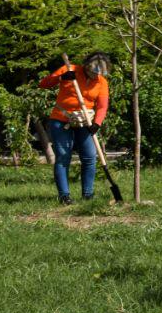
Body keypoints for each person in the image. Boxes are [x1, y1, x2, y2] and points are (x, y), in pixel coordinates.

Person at [38, 52, 111, 204]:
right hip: (61, 120)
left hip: (85, 122)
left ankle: (88, 194)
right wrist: (61, 78)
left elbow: (102, 106)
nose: (95, 75)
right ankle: (64, 196)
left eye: (98, 74)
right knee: (63, 157)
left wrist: (97, 124)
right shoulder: (69, 69)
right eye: (92, 72)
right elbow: (43, 84)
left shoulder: (102, 82)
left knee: (90, 157)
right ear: (86, 66)